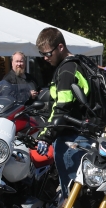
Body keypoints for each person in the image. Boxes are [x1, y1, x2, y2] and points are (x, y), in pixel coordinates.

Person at [37, 28, 91, 196]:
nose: (46, 58)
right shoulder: (77, 64)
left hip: (70, 139)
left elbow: (62, 108)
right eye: (42, 55)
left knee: (71, 196)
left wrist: (45, 137)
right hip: (80, 136)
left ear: (60, 47)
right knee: (78, 193)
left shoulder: (67, 70)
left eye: (48, 53)